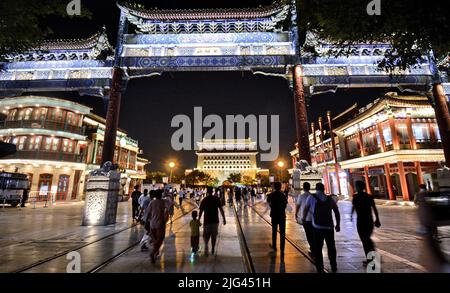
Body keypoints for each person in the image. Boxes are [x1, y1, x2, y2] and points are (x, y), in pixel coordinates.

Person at [303, 183, 340, 273]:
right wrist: (338, 224)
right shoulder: (330, 199)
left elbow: (305, 209)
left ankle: (320, 268)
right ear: (324, 189)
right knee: (331, 247)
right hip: (329, 228)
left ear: (316, 189)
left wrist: (304, 220)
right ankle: (333, 265)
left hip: (317, 227)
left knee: (318, 248)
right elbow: (336, 211)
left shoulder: (311, 198)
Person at [351, 181, 381, 265]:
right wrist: (377, 219)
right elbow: (374, 208)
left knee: (364, 239)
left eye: (356, 186)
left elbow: (353, 207)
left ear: (358, 187)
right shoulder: (369, 196)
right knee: (366, 238)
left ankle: (371, 257)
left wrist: (351, 215)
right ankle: (372, 255)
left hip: (361, 220)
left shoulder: (356, 196)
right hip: (369, 220)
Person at [199, 186, 226, 256]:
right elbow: (221, 209)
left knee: (206, 235)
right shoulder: (216, 199)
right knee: (214, 236)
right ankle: (213, 247)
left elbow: (201, 211)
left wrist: (198, 219)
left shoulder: (204, 199)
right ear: (212, 191)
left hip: (207, 221)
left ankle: (206, 245)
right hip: (215, 221)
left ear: (207, 192)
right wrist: (224, 218)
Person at [145, 189, 169, 263]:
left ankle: (155, 253)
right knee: (160, 239)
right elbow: (169, 208)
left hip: (152, 224)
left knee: (155, 239)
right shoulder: (163, 202)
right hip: (160, 224)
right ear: (161, 195)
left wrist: (146, 222)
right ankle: (153, 253)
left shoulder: (152, 202)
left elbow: (148, 213)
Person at [267, 182, 288, 255]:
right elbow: (285, 204)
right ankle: (282, 249)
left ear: (274, 187)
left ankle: (274, 246)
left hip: (274, 215)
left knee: (274, 231)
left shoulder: (271, 195)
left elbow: (268, 203)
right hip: (282, 216)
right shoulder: (283, 195)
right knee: (282, 233)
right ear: (280, 187)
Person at [295, 182, 314, 256]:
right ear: (309, 188)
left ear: (303, 188)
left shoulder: (301, 196)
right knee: (313, 233)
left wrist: (296, 214)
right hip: (313, 218)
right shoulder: (313, 196)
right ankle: (314, 247)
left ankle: (312, 248)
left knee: (308, 234)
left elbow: (298, 206)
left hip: (305, 218)